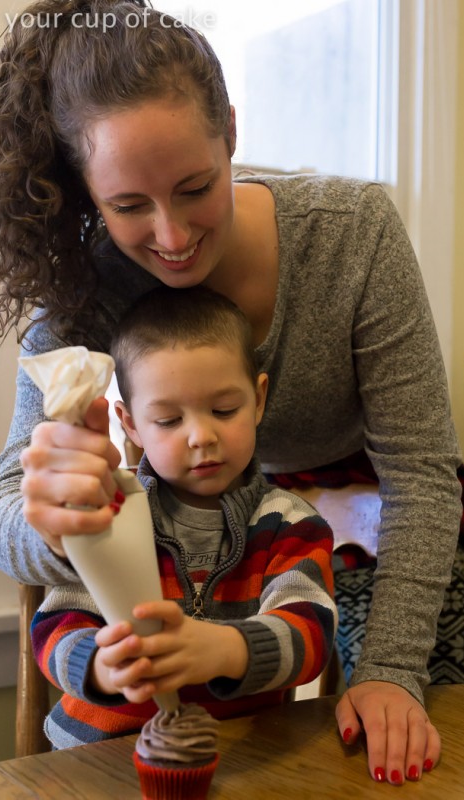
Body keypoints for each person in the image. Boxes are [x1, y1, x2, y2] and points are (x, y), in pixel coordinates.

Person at [0, 0, 464, 785]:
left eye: (195, 187)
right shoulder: (82, 289)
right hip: (199, 546)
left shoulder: (352, 233)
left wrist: (390, 670)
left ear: (231, 132)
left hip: (383, 524)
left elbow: (417, 473)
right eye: (128, 206)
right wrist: (53, 519)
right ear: (86, 192)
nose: (170, 238)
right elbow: (2, 514)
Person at [29, 285, 337, 748]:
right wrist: (97, 666)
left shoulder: (291, 524)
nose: (200, 436)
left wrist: (226, 650)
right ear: (130, 423)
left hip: (237, 755)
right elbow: (57, 623)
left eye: (223, 410)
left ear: (259, 399)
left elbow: (311, 632)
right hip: (95, 757)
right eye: (169, 420)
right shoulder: (110, 508)